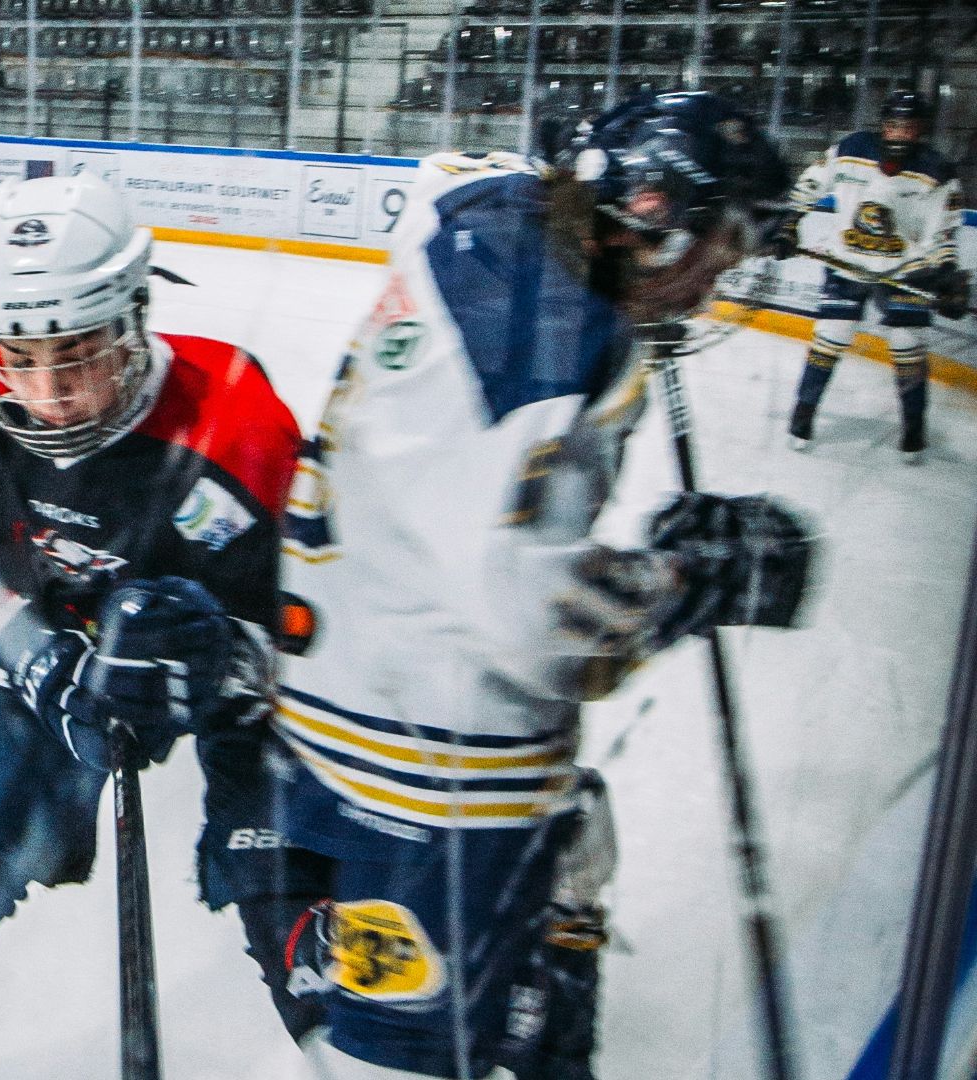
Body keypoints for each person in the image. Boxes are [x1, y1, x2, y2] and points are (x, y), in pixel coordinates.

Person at [203, 92, 818, 1080]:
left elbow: (452, 177)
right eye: (723, 248)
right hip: (428, 765)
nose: (717, 285)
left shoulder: (501, 224)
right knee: (403, 1058)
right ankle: (544, 968)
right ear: (657, 224)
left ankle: (547, 947)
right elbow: (528, 618)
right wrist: (692, 581)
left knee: (553, 855)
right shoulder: (554, 333)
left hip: (346, 675)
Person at [0, 171, 300, 1079]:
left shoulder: (237, 421)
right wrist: (53, 671)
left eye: (77, 353)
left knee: (297, 893)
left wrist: (225, 658)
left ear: (135, 317)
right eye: (16, 357)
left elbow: (311, 633)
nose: (49, 394)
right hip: (66, 651)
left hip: (215, 660)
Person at [774, 88, 968, 459]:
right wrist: (790, 223)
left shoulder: (935, 171)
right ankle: (803, 413)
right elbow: (812, 182)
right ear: (883, 126)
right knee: (830, 337)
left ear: (920, 130)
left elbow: (943, 232)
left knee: (907, 346)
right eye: (894, 126)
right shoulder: (851, 149)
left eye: (909, 128)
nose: (900, 134)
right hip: (846, 262)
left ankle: (914, 427)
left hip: (905, 269)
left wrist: (943, 271)